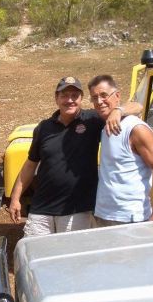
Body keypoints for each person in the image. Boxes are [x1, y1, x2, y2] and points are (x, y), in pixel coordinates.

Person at [8, 76, 142, 237]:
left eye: (74, 96)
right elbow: (30, 164)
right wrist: (15, 198)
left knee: (71, 253)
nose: (70, 100)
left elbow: (137, 106)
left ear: (81, 99)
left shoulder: (93, 120)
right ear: (56, 98)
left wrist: (118, 111)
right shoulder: (43, 128)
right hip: (41, 210)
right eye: (64, 95)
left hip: (76, 210)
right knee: (36, 251)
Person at [89, 75, 153, 225]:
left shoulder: (135, 128)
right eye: (94, 98)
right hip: (104, 215)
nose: (99, 101)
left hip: (130, 218)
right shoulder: (105, 127)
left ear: (117, 96)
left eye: (104, 95)